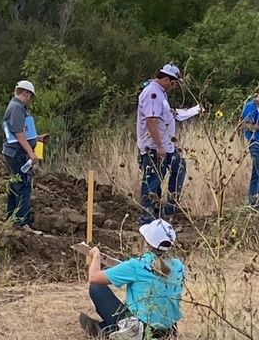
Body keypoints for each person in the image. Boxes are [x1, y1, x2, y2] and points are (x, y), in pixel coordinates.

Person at [79, 219, 186, 339]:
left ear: (146, 242)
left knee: (97, 288)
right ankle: (107, 329)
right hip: (168, 331)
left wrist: (96, 256)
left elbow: (94, 278)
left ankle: (111, 330)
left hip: (142, 330)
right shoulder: (179, 266)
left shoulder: (137, 265)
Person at [137, 65, 186, 225]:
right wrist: (159, 146)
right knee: (152, 181)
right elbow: (151, 121)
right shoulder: (153, 93)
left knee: (179, 167)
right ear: (166, 79)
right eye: (174, 84)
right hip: (153, 147)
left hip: (165, 145)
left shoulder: (160, 94)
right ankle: (148, 219)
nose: (174, 87)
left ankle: (168, 210)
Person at [2, 80, 41, 234]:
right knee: (23, 186)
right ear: (26, 94)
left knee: (14, 185)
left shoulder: (16, 107)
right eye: (30, 98)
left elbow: (23, 132)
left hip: (14, 152)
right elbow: (19, 134)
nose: (30, 101)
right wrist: (31, 153)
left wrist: (36, 138)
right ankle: (22, 222)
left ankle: (12, 218)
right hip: (17, 153)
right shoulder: (17, 108)